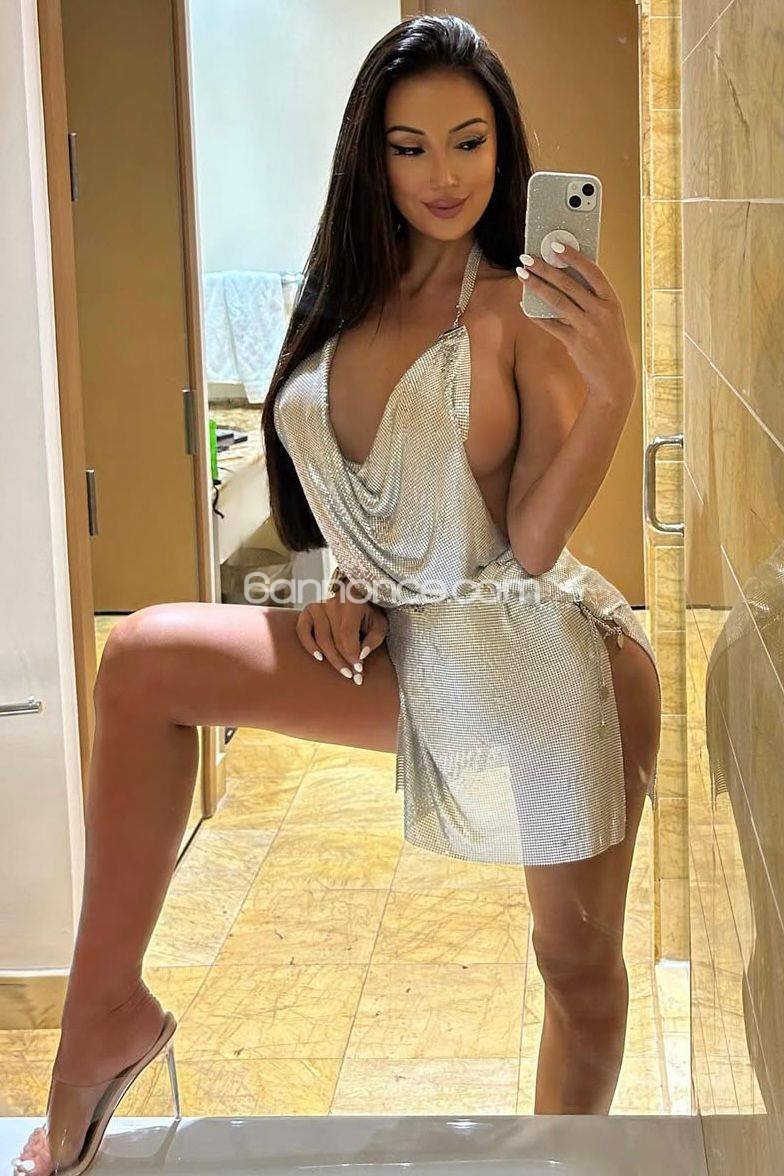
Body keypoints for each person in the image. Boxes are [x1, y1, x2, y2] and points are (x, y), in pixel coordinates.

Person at [12, 13, 661, 1175]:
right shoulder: (341, 295)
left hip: (542, 662)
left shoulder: (514, 307)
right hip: (411, 650)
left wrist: (612, 390)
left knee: (573, 967)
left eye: (469, 142)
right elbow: (354, 472)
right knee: (144, 659)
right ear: (371, 153)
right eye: (409, 147)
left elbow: (528, 542)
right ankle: (102, 1019)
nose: (443, 174)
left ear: (504, 147)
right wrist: (343, 576)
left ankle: (567, 1160)